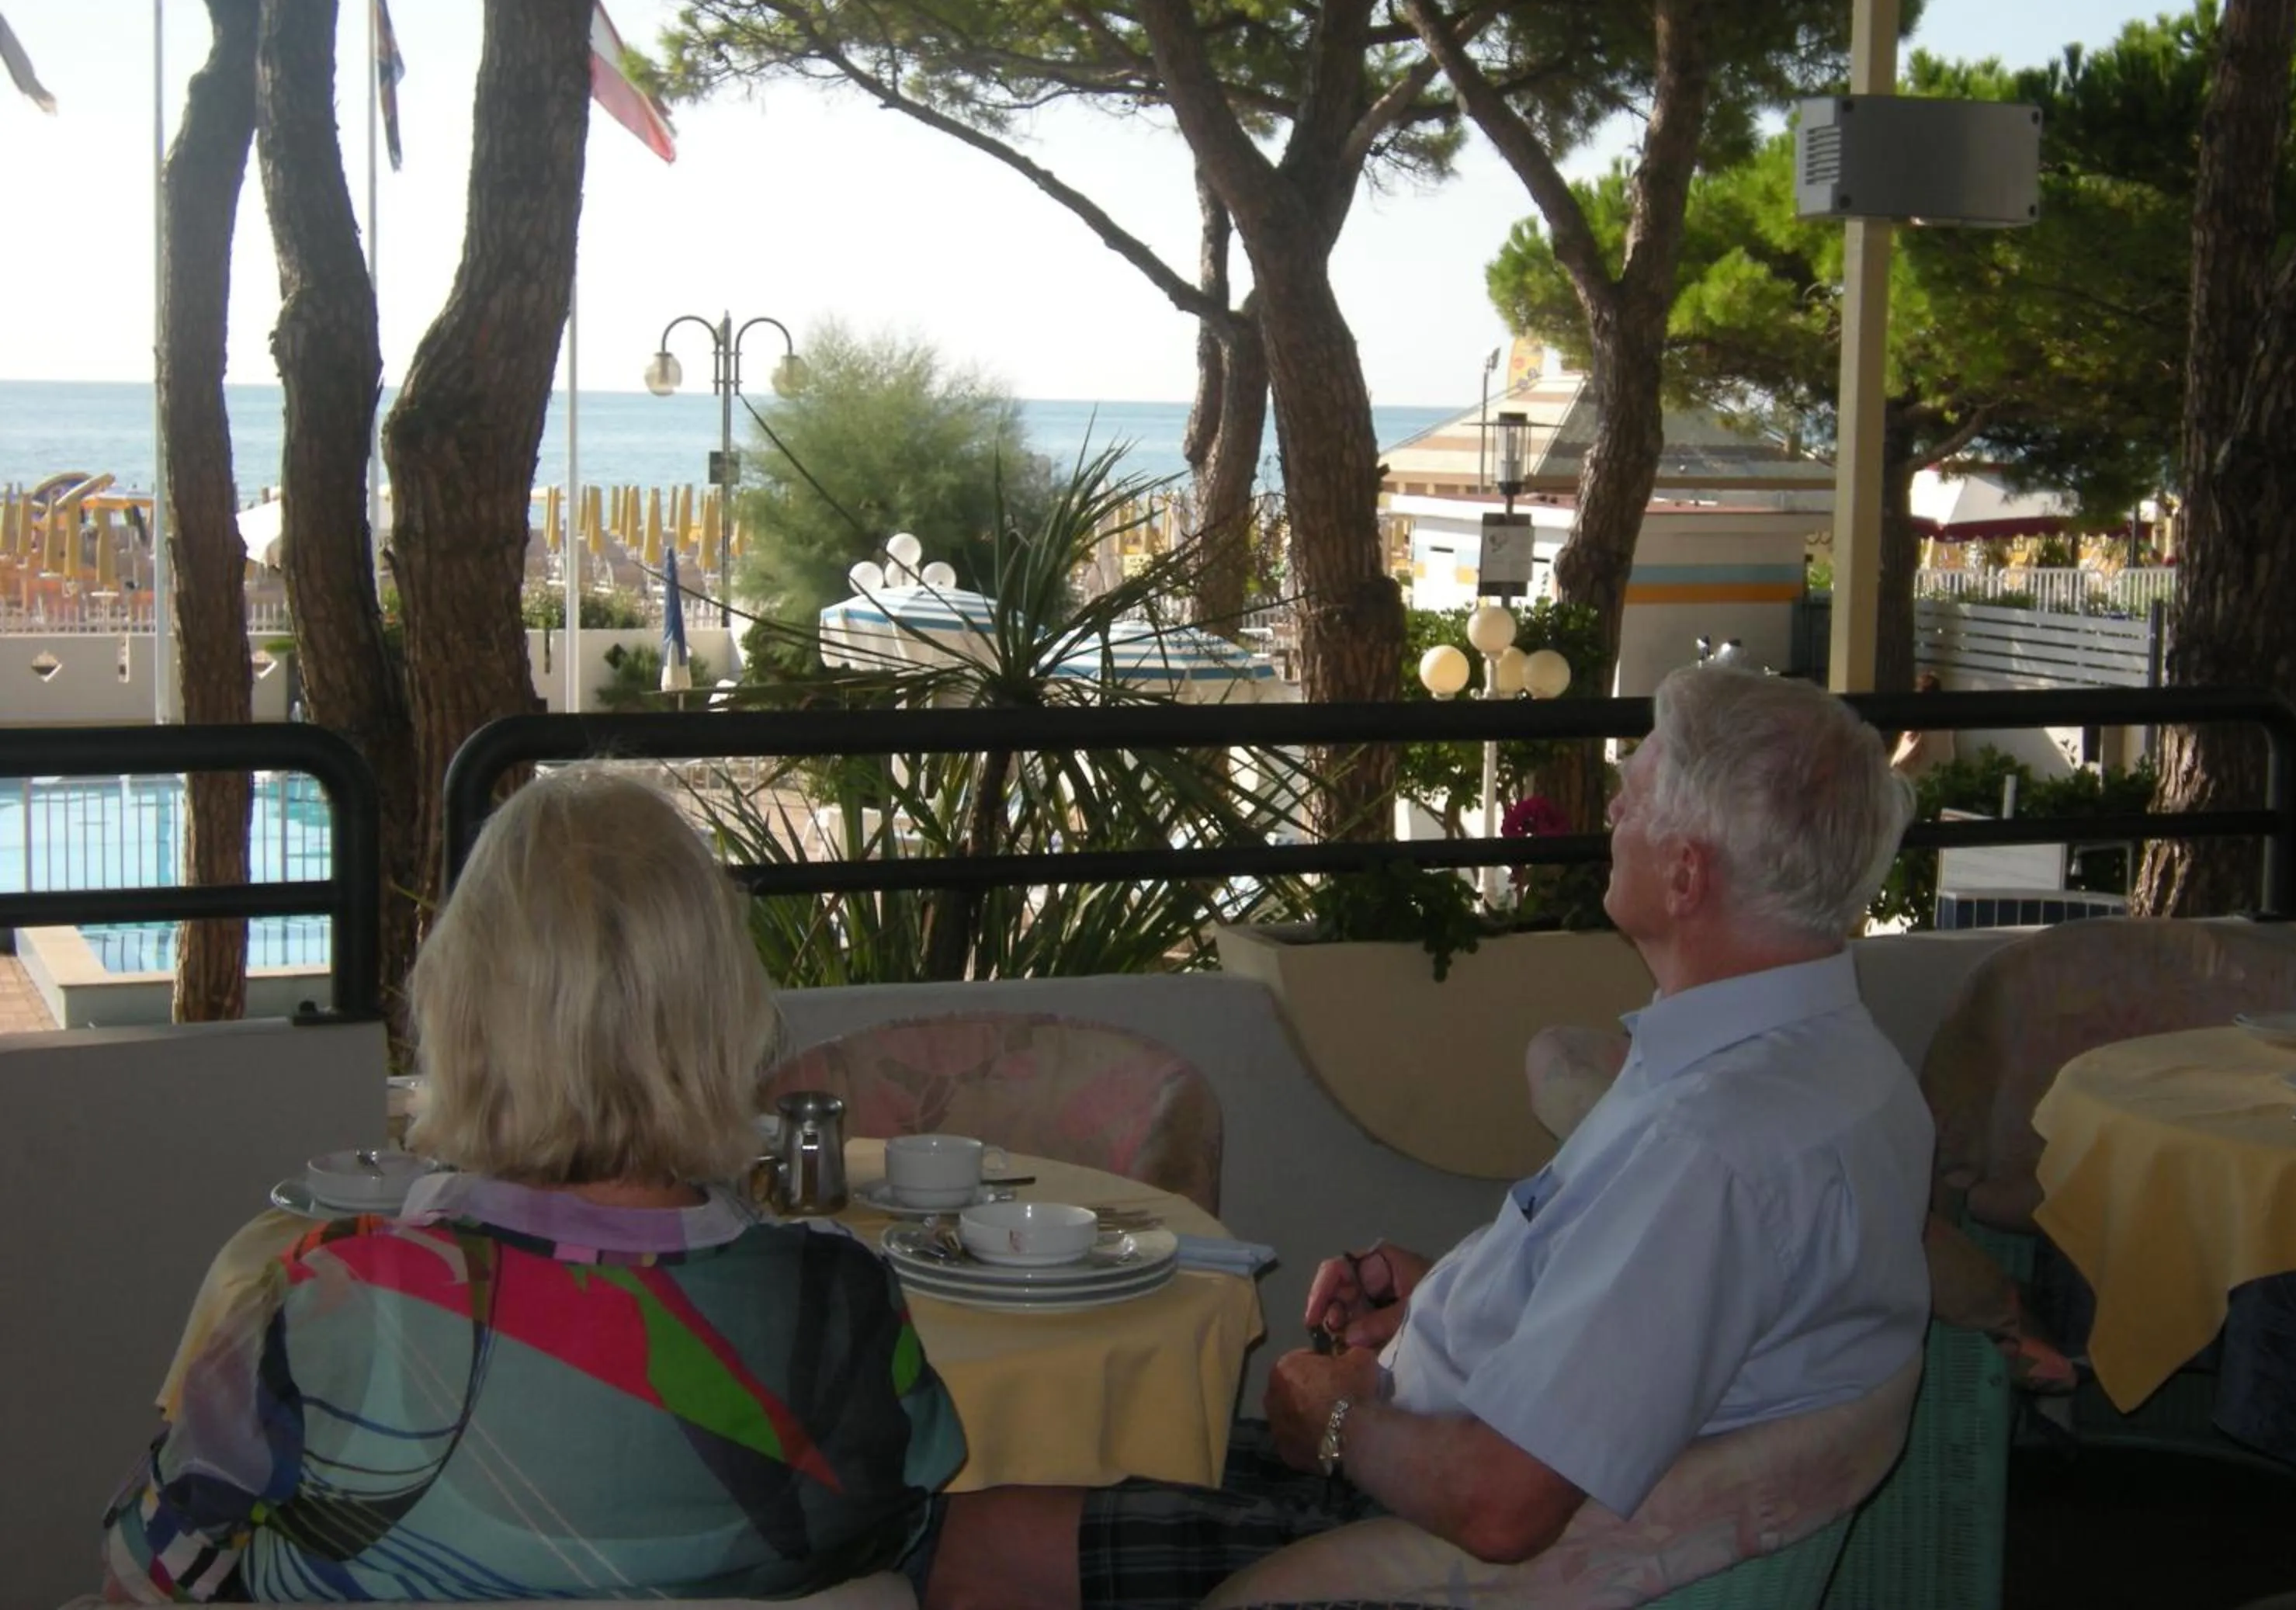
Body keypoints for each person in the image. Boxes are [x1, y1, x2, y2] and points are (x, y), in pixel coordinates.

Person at [927, 667, 1932, 1610]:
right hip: (1447, 1448)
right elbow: (1654, 1309)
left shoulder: (1710, 1143)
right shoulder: (1846, 1072)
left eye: (1637, 789)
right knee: (1060, 1457)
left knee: (974, 1539)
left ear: (1684, 874)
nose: (1613, 808)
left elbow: (1501, 1506)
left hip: (1403, 1532)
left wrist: (1328, 1412)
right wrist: (1453, 1294)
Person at [101, 768, 965, 1601]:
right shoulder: (844, 1298)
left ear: (463, 1009)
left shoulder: (335, 1302)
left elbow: (148, 1576)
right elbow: (904, 1531)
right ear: (723, 1011)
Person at [1889, 670, 1957, 778]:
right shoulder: (1947, 716)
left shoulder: (1918, 720)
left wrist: (1892, 769)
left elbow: (1907, 754)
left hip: (1922, 781)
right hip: (1945, 777)